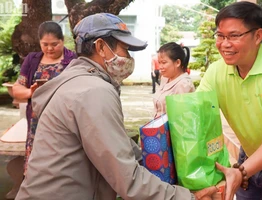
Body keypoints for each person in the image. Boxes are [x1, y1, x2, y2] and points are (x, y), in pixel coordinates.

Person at [15, 13, 218, 200]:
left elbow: (121, 147)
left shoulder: (79, 81)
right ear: (101, 47)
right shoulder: (93, 91)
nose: (129, 58)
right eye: (125, 49)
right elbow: (126, 177)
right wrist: (187, 197)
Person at [197, 2, 262, 200]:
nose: (224, 44)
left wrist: (241, 171)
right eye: (220, 35)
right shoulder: (216, 71)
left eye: (234, 36)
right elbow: (196, 112)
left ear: (258, 36)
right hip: (247, 161)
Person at [12, 21, 77, 175]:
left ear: (63, 40)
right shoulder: (32, 60)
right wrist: (30, 92)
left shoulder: (73, 60)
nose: (49, 48)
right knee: (36, 171)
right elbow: (17, 88)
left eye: (54, 44)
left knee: (61, 169)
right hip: (36, 124)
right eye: (45, 44)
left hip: (64, 123)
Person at [153, 42, 195, 117]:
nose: (160, 66)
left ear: (178, 62)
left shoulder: (184, 84)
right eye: (159, 63)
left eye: (164, 62)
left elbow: (182, 117)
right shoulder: (165, 78)